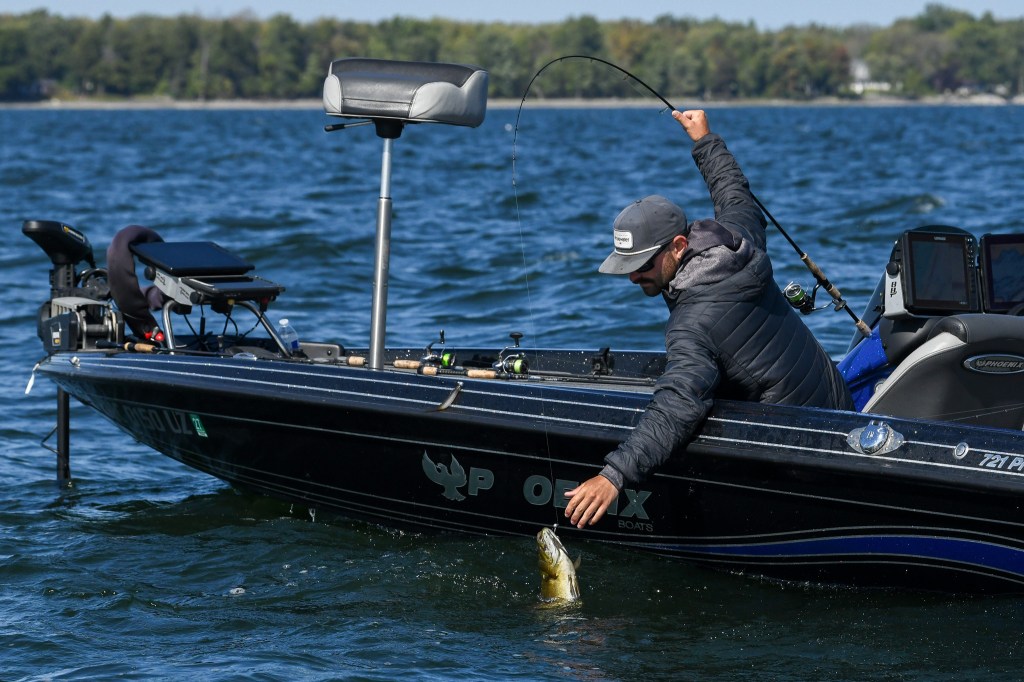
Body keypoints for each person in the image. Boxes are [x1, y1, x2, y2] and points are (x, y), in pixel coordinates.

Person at [564, 109, 853, 529]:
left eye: (642, 265)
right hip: (838, 406)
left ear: (679, 246)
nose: (632, 277)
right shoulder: (738, 242)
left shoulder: (692, 324)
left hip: (802, 457)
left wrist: (614, 475)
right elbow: (733, 192)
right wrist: (705, 140)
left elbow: (680, 403)